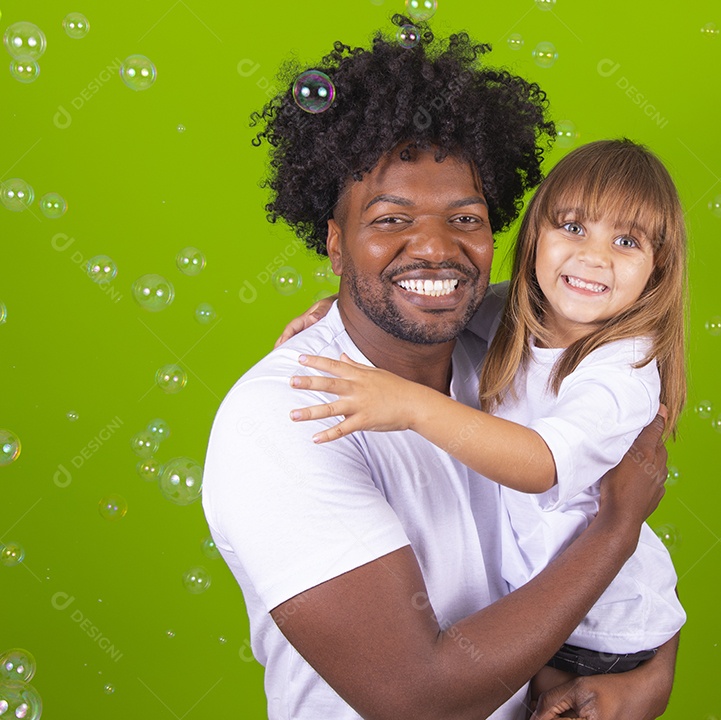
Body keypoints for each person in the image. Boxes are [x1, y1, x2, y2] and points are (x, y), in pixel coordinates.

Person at [202, 18, 678, 720]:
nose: (434, 249)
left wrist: (648, 677)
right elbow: (417, 699)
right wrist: (619, 526)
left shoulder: (512, 346)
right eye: (391, 221)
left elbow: (599, 576)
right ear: (336, 245)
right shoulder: (288, 414)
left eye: (465, 219)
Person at [287, 139, 688, 701]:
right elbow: (431, 296)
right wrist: (338, 307)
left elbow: (541, 462)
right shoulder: (518, 312)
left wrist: (409, 404)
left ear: (658, 266)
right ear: (534, 237)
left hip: (601, 632)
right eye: (572, 228)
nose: (594, 258)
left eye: (626, 241)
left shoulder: (623, 368)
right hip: (535, 609)